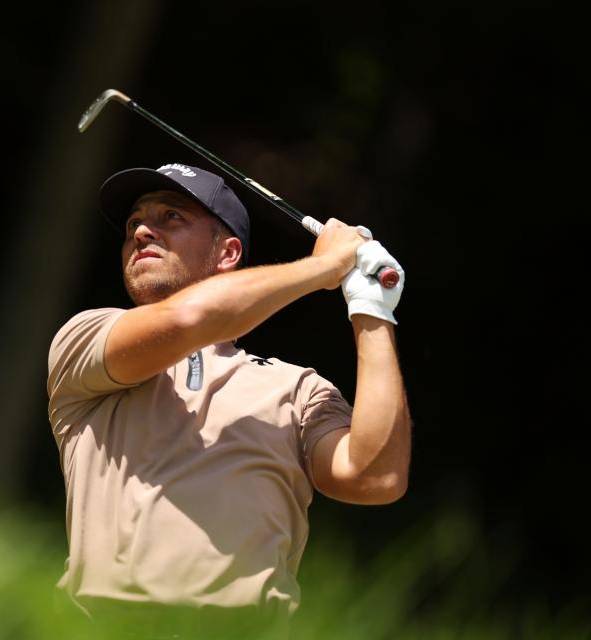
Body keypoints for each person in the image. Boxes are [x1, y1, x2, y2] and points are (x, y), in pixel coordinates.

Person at [46, 163, 411, 639]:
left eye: (170, 217)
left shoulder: (297, 388)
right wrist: (322, 268)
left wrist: (371, 310)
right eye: (135, 220)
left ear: (227, 252)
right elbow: (187, 321)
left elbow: (373, 476)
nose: (140, 230)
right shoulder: (88, 339)